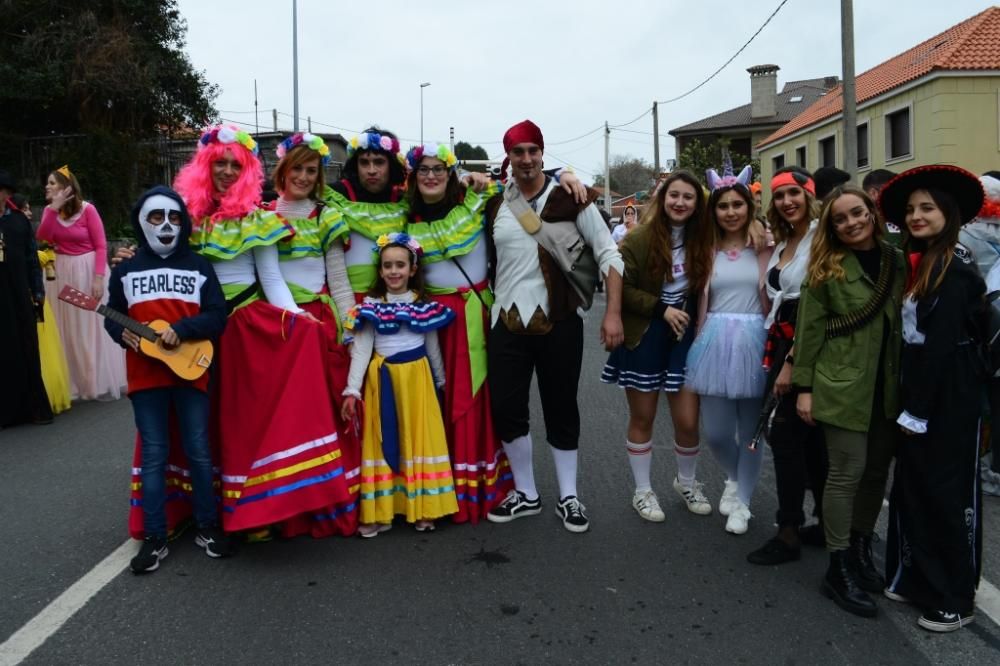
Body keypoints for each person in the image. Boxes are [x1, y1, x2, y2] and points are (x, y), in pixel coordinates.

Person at [175, 125, 352, 538]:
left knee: (239, 419)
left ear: (248, 170)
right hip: (196, 328)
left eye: (235, 165)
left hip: (240, 327)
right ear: (205, 165)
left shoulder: (258, 219)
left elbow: (271, 278)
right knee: (196, 419)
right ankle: (195, 507)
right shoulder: (187, 218)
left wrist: (296, 317)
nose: (225, 171)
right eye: (219, 163)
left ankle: (249, 508)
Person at [485, 120, 624, 534]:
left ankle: (569, 496)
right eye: (517, 152)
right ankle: (527, 494)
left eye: (532, 151)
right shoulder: (495, 205)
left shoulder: (573, 198)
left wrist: (612, 313)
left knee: (561, 407)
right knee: (506, 409)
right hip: (506, 323)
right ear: (508, 157)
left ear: (542, 153)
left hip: (560, 321)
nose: (526, 159)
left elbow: (609, 255)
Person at [880, 165, 987, 633]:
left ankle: (955, 596)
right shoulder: (922, 260)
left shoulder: (956, 270)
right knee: (913, 488)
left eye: (927, 207)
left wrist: (918, 410)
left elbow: (943, 348)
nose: (917, 216)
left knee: (947, 495)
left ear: (949, 212)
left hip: (949, 396)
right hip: (920, 386)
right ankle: (918, 576)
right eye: (910, 210)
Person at [105, 186, 231, 572]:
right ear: (142, 222)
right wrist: (118, 332)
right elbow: (114, 314)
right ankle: (155, 535)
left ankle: (208, 526)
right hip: (145, 377)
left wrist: (184, 329)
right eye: (156, 218)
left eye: (174, 217)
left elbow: (217, 314)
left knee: (198, 450)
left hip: (192, 371)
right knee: (155, 456)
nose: (165, 225)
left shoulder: (199, 265)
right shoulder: (125, 270)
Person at [793, 186, 905, 618]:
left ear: (872, 213)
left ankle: (859, 547)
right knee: (846, 473)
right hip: (840, 385)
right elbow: (810, 332)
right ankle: (837, 566)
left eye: (857, 213)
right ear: (832, 227)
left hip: (887, 384)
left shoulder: (895, 260)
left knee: (877, 473)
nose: (851, 223)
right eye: (841, 219)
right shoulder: (827, 269)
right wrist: (804, 387)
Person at [255, 133, 362, 539]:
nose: (302, 176)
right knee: (283, 419)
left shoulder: (325, 217)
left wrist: (350, 332)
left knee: (325, 416)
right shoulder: (260, 214)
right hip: (276, 328)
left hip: (318, 326)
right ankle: (284, 507)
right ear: (282, 169)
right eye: (296, 168)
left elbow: (338, 281)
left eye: (311, 170)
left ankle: (326, 507)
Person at [403, 143, 514, 523]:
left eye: (439, 169)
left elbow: (522, 185)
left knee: (477, 400)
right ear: (414, 178)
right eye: (424, 170)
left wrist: (561, 175)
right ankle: (438, 488)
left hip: (473, 315)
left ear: (450, 174)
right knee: (435, 401)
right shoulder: (406, 220)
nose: (431, 176)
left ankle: (477, 486)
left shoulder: (477, 202)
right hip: (432, 319)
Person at [602, 169, 714, 522]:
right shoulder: (639, 239)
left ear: (698, 204)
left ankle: (687, 482)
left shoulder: (704, 238)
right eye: (674, 195)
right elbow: (623, 285)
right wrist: (661, 309)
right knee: (643, 416)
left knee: (687, 420)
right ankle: (642, 491)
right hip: (646, 333)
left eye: (688, 197)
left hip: (685, 338)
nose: (680, 202)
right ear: (663, 199)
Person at [341, 233, 458, 536]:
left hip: (418, 382)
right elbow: (363, 350)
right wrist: (352, 389)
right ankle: (381, 510)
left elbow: (432, 347)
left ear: (412, 269)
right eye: (388, 266)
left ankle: (423, 507)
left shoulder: (423, 306)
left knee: (417, 441)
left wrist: (441, 381)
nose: (394, 272)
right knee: (381, 443)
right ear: (380, 271)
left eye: (400, 265)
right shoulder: (369, 307)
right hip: (382, 382)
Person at [747, 166, 828, 565]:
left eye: (794, 193)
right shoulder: (783, 241)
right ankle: (822, 523)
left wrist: (791, 363)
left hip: (808, 343)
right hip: (782, 340)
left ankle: (789, 530)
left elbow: (817, 306)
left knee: (786, 435)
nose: (787, 201)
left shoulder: (821, 239)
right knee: (803, 436)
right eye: (779, 196)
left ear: (809, 195)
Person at [686, 164, 772, 534]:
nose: (732, 212)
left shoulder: (766, 245)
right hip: (715, 342)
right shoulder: (705, 250)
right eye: (724, 206)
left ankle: (744, 502)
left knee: (751, 431)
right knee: (718, 433)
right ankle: (734, 478)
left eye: (738, 205)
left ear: (749, 207)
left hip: (757, 339)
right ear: (714, 212)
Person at [37, 165, 126, 400]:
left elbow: (100, 245)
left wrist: (98, 278)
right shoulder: (49, 211)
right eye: (47, 183)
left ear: (67, 188)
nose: (47, 186)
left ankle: (94, 381)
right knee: (66, 327)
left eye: (52, 183)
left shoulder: (88, 210)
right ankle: (72, 382)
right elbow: (43, 237)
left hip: (88, 271)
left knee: (90, 327)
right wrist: (53, 210)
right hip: (62, 272)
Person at [0, 170, 52, 428]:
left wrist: (38, 293)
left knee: (26, 349)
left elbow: (33, 260)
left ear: (5, 194)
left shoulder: (19, 223)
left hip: (19, 296)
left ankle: (33, 409)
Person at [863, 169, 900, 242]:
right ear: (873, 193)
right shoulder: (860, 225)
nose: (897, 196)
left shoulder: (898, 219)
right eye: (892, 191)